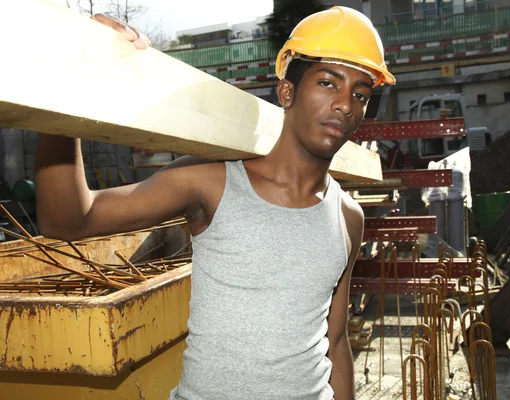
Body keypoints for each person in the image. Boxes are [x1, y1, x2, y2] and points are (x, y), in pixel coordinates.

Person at [35, 6, 396, 400]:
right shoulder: (215, 181)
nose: (345, 104)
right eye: (328, 83)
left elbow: (336, 338)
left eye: (360, 94)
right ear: (287, 91)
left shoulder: (347, 217)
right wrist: (70, 71)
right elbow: (69, 220)